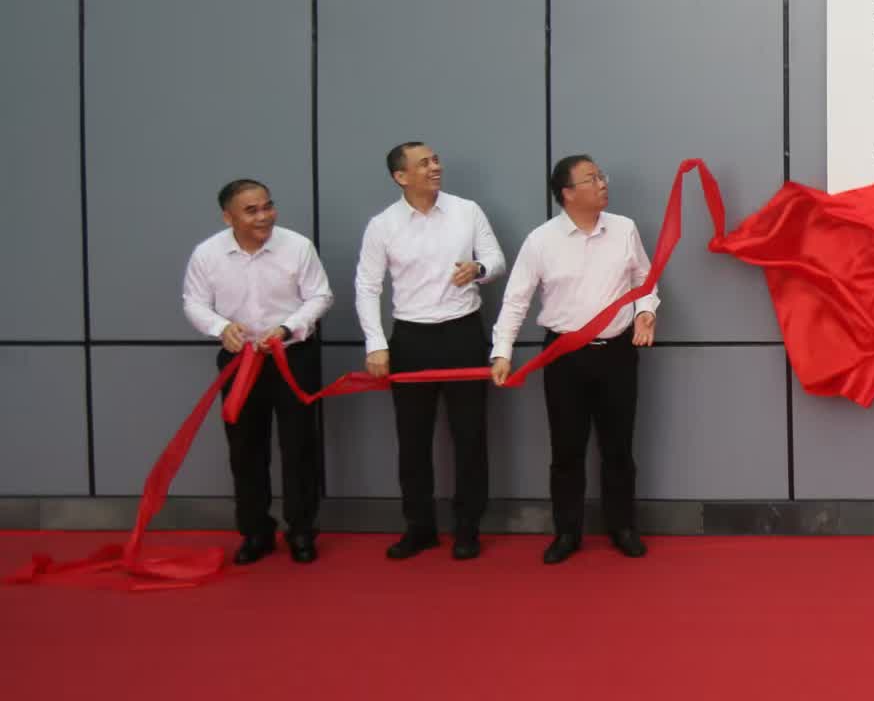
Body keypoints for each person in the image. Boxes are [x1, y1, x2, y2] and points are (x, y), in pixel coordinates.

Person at [491, 155, 659, 565]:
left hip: (617, 353)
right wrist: (502, 352)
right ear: (567, 193)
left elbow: (645, 280)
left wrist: (645, 312)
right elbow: (516, 300)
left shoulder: (624, 229)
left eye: (601, 176)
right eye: (591, 179)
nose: (602, 183)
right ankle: (567, 532)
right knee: (566, 450)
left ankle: (623, 527)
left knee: (618, 447)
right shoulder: (541, 241)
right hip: (564, 357)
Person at [356, 142, 506, 561]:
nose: (435, 167)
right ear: (400, 177)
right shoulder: (382, 225)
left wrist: (478, 269)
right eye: (423, 163)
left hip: (463, 334)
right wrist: (376, 343)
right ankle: (419, 527)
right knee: (412, 440)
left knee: (470, 436)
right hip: (410, 339)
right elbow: (367, 286)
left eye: (435, 160)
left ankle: (467, 527)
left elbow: (496, 259)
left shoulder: (466, 211)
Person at [180, 178, 333, 565]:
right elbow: (194, 303)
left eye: (267, 206)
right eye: (251, 211)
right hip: (240, 360)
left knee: (299, 446)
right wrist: (221, 328)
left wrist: (286, 328)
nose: (264, 216)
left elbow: (320, 295)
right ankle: (255, 531)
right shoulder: (207, 254)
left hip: (292, 356)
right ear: (227, 217)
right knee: (245, 448)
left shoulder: (297, 246)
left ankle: (301, 530)